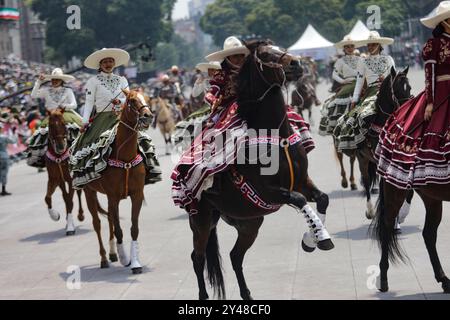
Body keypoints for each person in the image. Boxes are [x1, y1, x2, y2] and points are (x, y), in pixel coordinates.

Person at [376, 1, 450, 189]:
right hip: (442, 93)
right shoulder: (434, 44)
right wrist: (431, 102)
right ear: (444, 22)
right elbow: (430, 73)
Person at [69, 48, 161, 188]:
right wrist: (85, 122)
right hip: (102, 119)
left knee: (142, 139)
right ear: (100, 64)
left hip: (122, 116)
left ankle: (147, 170)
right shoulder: (93, 82)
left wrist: (120, 102)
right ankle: (92, 175)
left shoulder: (122, 80)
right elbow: (88, 104)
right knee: (92, 145)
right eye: (105, 61)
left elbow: (129, 98)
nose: (108, 64)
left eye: (111, 61)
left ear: (114, 63)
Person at [333, 31, 395, 152]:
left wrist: (387, 79)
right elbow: (360, 82)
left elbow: (394, 76)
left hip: (388, 89)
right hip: (372, 92)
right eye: (369, 45)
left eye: (373, 44)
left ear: (379, 45)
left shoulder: (388, 59)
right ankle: (367, 140)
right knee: (364, 114)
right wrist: (355, 99)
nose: (370, 47)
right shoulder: (363, 61)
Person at [27, 68, 82, 168]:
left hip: (65, 113)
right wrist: (39, 81)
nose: (54, 81)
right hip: (51, 115)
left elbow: (74, 104)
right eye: (53, 79)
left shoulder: (68, 90)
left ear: (62, 81)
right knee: (41, 131)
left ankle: (80, 151)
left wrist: (65, 106)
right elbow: (33, 95)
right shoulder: (46, 91)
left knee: (78, 128)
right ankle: (40, 156)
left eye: (57, 79)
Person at [319, 35, 361, 136]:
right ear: (344, 49)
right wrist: (342, 81)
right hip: (348, 84)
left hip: (361, 83)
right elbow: (334, 74)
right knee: (335, 101)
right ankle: (337, 126)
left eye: (351, 46)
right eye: (347, 47)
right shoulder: (340, 61)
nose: (350, 48)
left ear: (354, 47)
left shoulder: (361, 60)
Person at [0, 122, 17, 196]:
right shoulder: (4, 137)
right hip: (3, 157)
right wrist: (14, 133)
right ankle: (3, 190)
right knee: (4, 173)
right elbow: (13, 141)